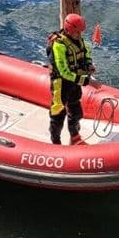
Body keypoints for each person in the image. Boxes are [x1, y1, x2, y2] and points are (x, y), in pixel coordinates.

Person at [47, 13, 100, 145]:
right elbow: (63, 71)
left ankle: (74, 136)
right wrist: (87, 81)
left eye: (80, 32)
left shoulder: (79, 40)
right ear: (69, 29)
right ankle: (55, 141)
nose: (79, 35)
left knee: (76, 111)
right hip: (61, 82)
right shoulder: (59, 45)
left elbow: (86, 51)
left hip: (74, 81)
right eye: (77, 32)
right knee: (58, 112)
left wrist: (89, 64)